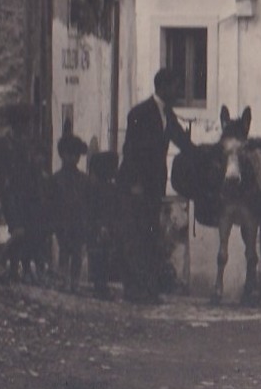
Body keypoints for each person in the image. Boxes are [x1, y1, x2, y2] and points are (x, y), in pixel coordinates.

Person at [117, 67, 194, 304]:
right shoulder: (139, 113)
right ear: (163, 87)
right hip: (135, 186)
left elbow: (184, 144)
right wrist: (134, 184)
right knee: (135, 237)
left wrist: (209, 154)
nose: (179, 91)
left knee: (150, 236)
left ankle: (148, 290)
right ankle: (132, 290)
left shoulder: (168, 115)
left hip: (153, 187)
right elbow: (130, 151)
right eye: (176, 86)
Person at [0, 105, 49, 282]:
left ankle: (17, 269)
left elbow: (38, 166)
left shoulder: (31, 143)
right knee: (19, 231)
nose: (27, 127)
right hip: (11, 194)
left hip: (31, 194)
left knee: (28, 233)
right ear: (15, 123)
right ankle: (0, 260)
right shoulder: (1, 144)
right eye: (23, 123)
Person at [47, 122, 91, 293]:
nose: (72, 158)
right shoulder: (56, 179)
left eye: (76, 155)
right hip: (62, 220)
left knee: (78, 252)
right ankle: (63, 280)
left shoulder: (84, 180)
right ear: (62, 155)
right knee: (65, 249)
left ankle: (75, 283)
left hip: (79, 220)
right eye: (69, 154)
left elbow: (87, 201)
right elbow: (51, 202)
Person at [86, 149, 121, 299]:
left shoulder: (106, 187)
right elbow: (97, 209)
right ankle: (99, 287)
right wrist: (101, 226)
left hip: (105, 226)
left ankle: (101, 285)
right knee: (100, 256)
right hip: (100, 226)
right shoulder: (102, 189)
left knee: (104, 256)